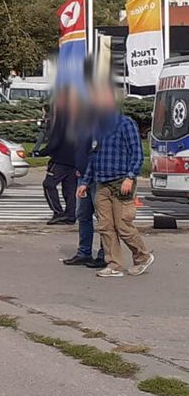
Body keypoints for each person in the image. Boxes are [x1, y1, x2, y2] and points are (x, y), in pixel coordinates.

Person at [77, 86, 153, 278]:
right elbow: (94, 157)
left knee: (123, 226)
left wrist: (130, 176)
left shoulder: (126, 124)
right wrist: (85, 182)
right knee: (105, 226)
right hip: (101, 183)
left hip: (121, 182)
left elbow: (137, 153)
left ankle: (142, 256)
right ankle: (114, 264)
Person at [41, 94, 81, 225]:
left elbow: (54, 143)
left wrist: (41, 153)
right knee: (69, 189)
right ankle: (70, 215)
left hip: (60, 160)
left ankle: (58, 212)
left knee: (48, 184)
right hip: (73, 160)